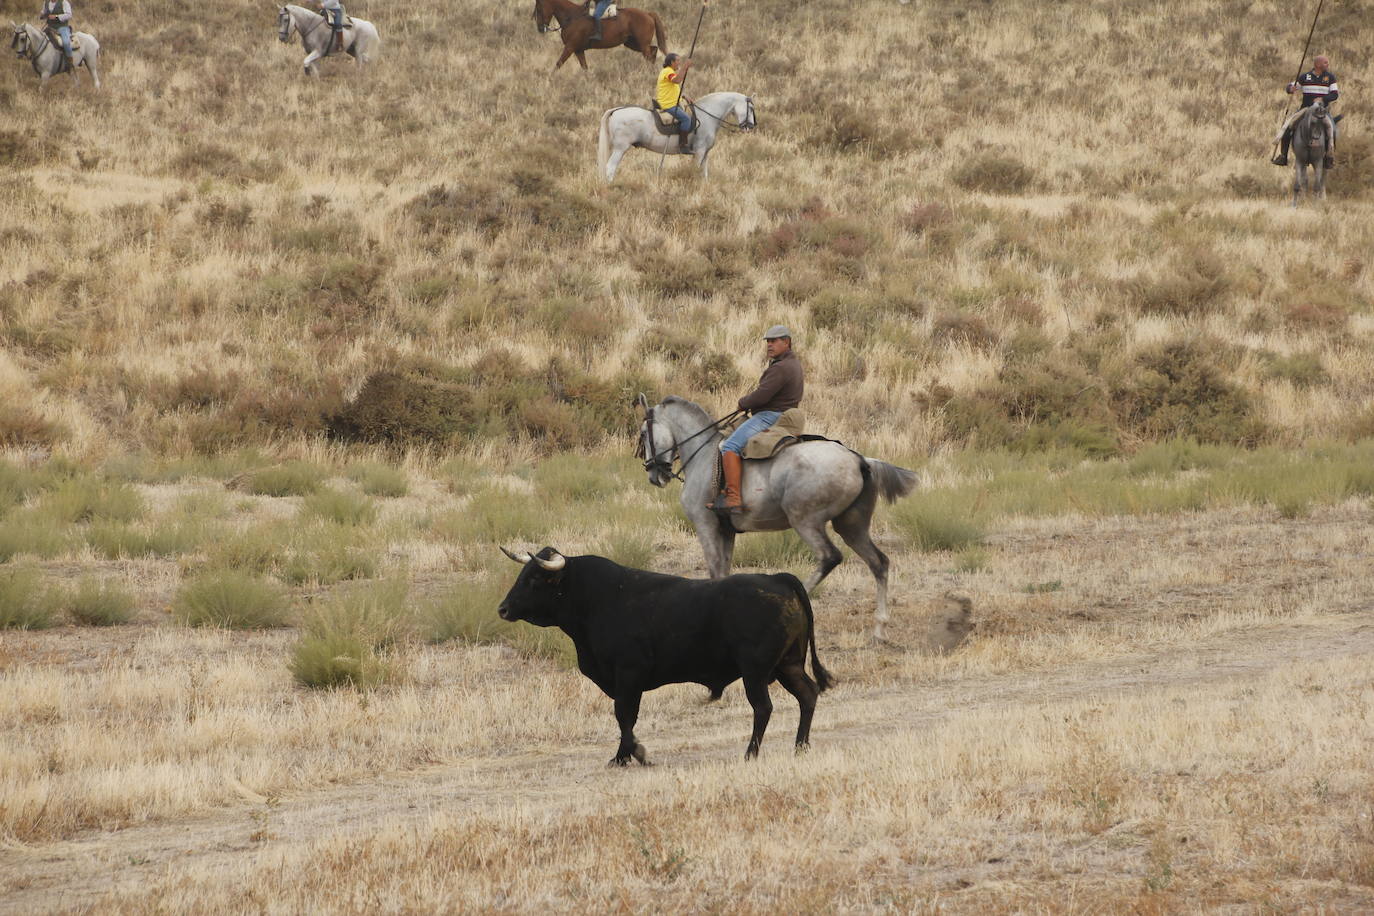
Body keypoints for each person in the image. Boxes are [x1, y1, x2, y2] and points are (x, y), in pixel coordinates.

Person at [716, 326, 804, 514]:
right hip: (783, 413)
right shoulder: (793, 364)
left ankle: (733, 497)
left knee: (730, 446)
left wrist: (743, 402)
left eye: (774, 341)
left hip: (769, 415)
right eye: (767, 341)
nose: (769, 345)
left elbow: (762, 396)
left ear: (786, 342)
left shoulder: (780, 368)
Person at [1273, 55, 1339, 168]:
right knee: (1288, 127)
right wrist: (1290, 88)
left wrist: (1323, 99)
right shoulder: (1305, 77)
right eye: (1325, 63)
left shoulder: (1330, 78)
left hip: (1322, 111)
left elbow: (1334, 94)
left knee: (1332, 129)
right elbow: (1291, 86)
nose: (1327, 65)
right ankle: (1283, 156)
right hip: (1305, 109)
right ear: (1317, 64)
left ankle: (1329, 157)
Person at [656, 52, 694, 155]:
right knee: (686, 119)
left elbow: (673, 88)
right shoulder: (668, 71)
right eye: (678, 61)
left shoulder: (668, 71)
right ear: (672, 62)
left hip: (673, 102)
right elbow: (677, 80)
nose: (679, 63)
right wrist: (685, 67)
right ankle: (683, 145)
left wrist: (683, 95)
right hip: (668, 105)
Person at [39, 0, 73, 70]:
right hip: (50, 27)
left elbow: (69, 15)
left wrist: (57, 16)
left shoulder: (64, 2)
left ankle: (70, 61)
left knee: (66, 43)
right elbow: (44, 12)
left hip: (62, 27)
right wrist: (42, 15)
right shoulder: (46, 2)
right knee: (39, 40)